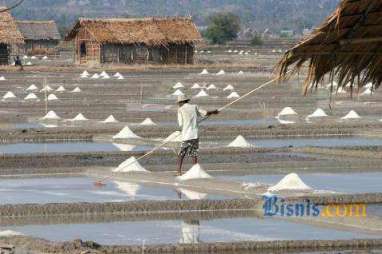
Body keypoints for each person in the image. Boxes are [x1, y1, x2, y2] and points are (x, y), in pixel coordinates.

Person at [177, 95, 219, 176]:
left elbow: (180, 124)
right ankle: (195, 172)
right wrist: (214, 112)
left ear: (181, 102)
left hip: (186, 135)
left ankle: (178, 171)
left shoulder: (180, 110)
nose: (178, 104)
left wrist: (182, 129)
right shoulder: (194, 106)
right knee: (194, 154)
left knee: (182, 153)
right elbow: (205, 113)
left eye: (179, 103)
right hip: (194, 134)